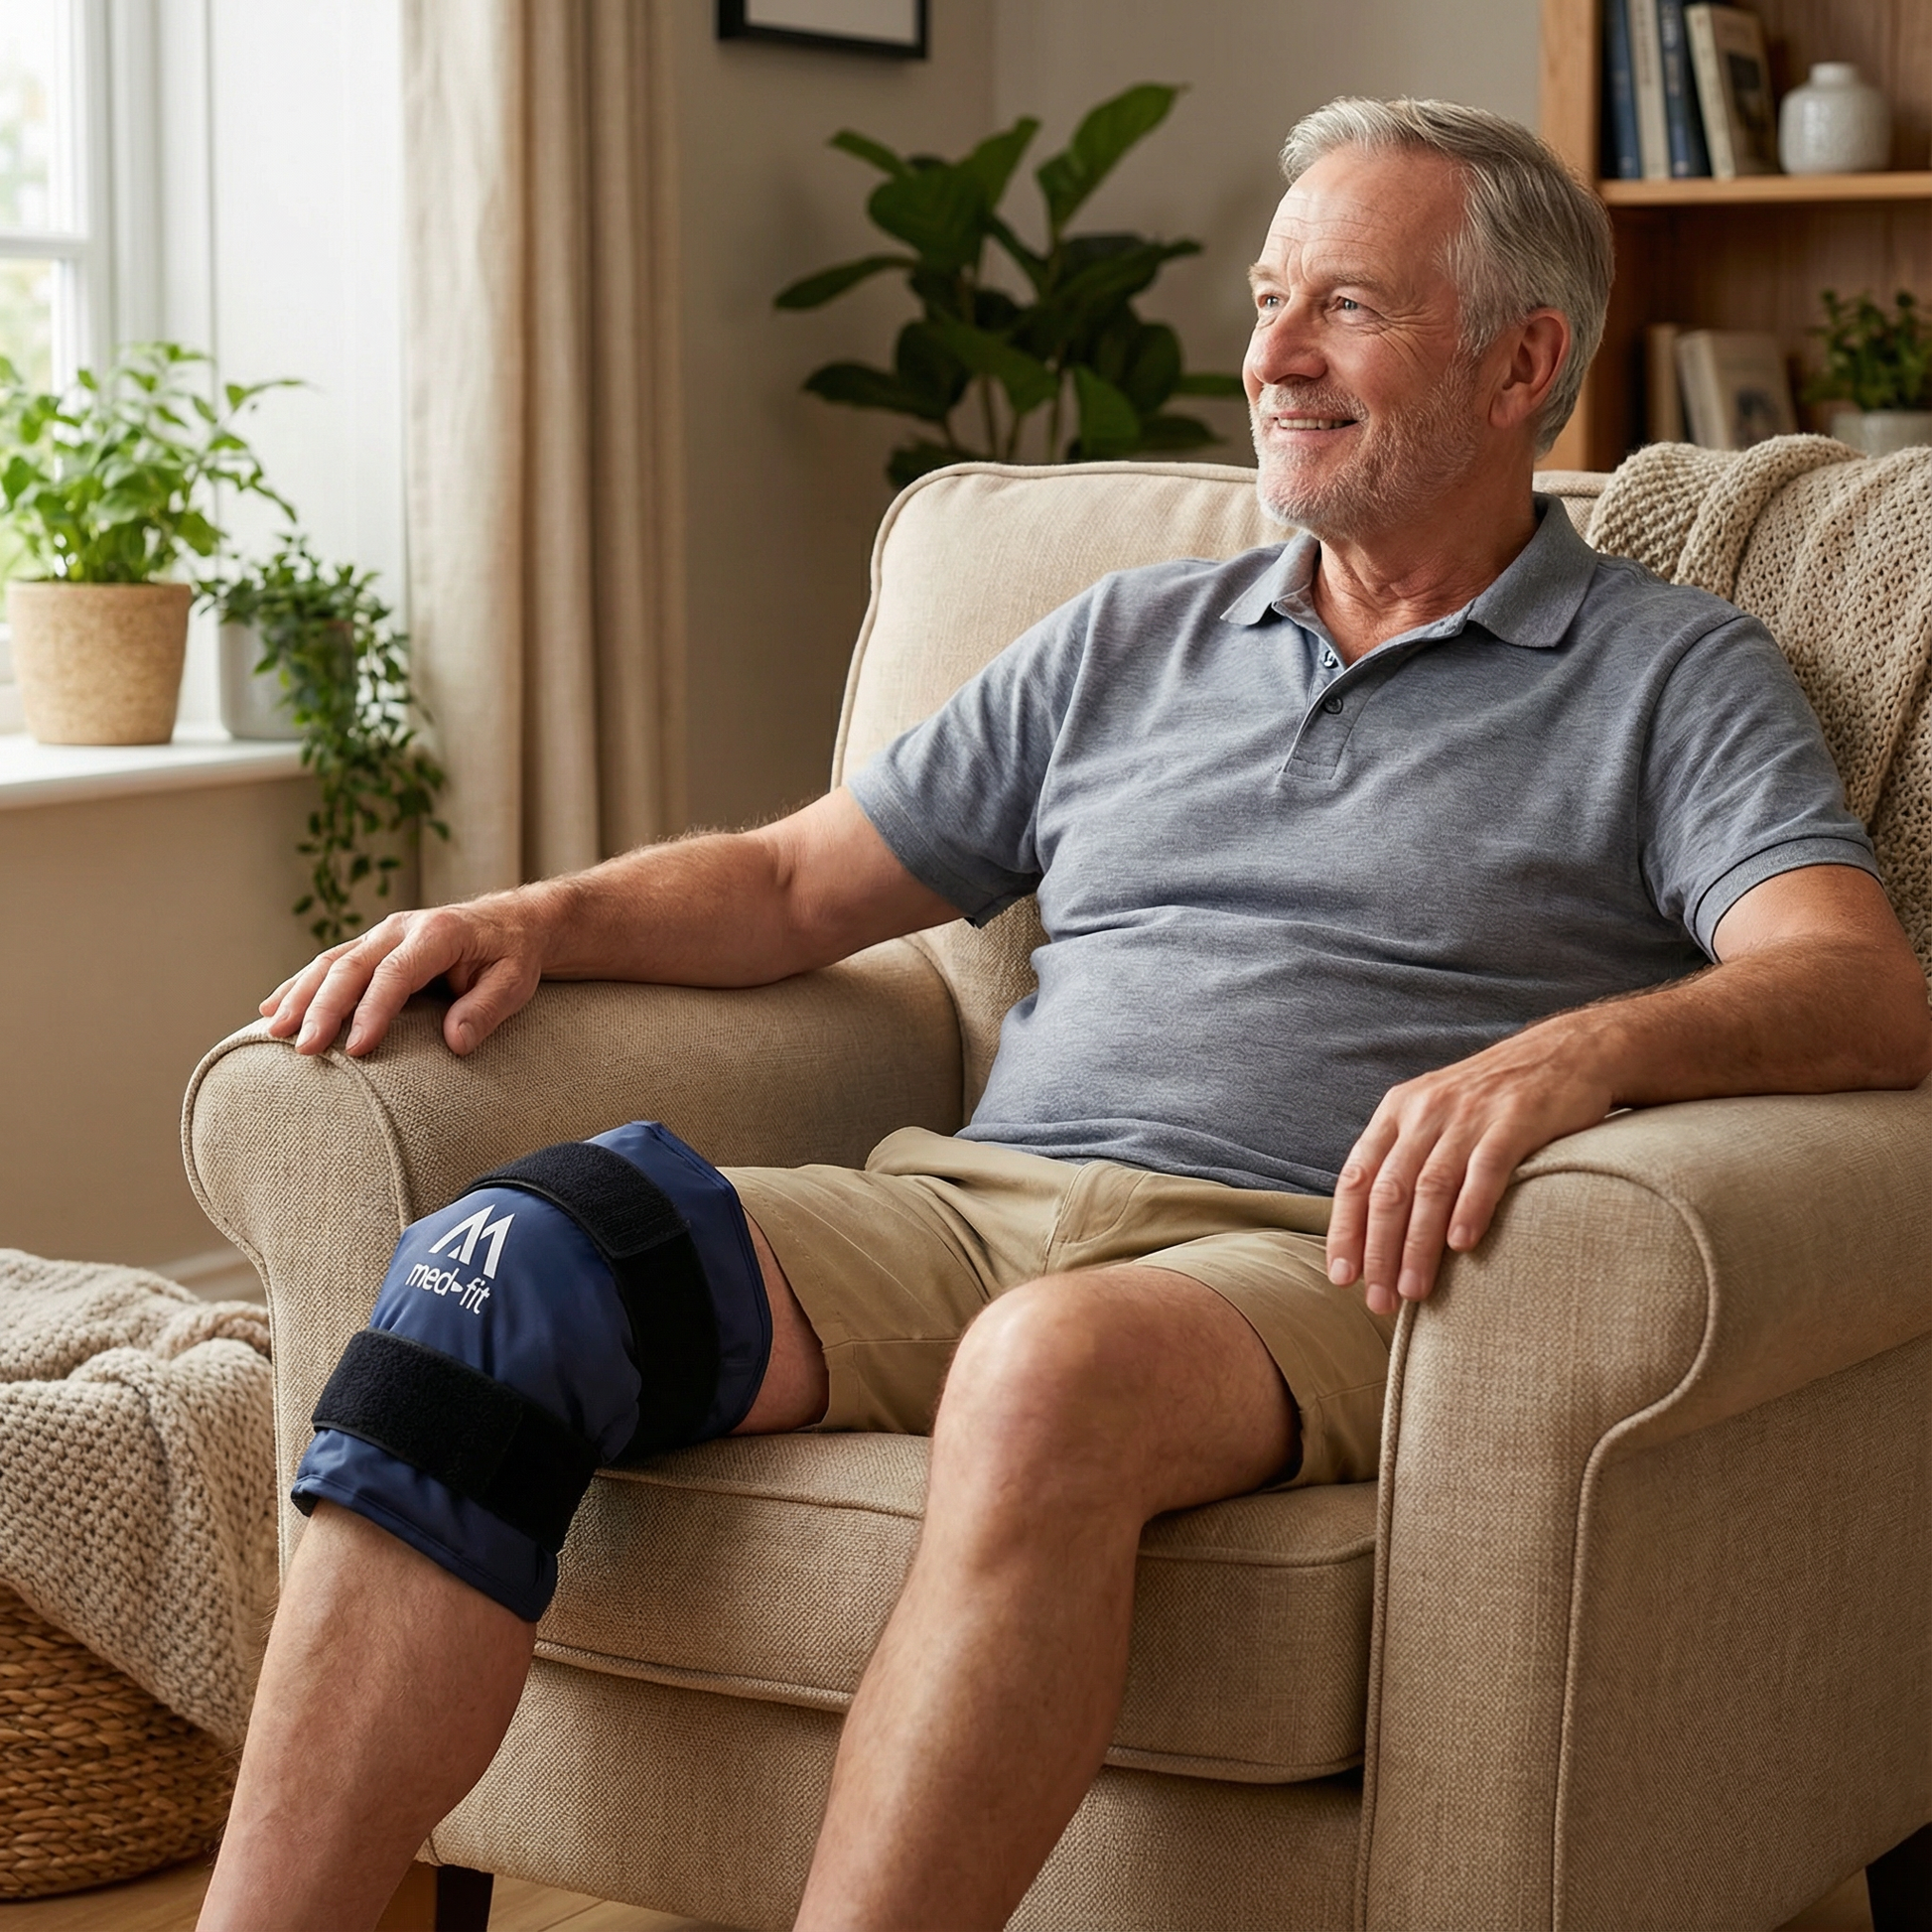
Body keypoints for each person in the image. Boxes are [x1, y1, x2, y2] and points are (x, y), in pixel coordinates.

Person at [197, 98, 1931, 1932]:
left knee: (1052, 1368)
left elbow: (1853, 985)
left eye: (1343, 305)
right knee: (496, 1268)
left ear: (1522, 361)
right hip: (970, 1209)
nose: (1269, 355)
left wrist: (1579, 1049)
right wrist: (522, 917)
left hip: (1316, 1258)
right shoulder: (1127, 639)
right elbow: (798, 884)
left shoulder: (1669, 675)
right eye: (1268, 299)